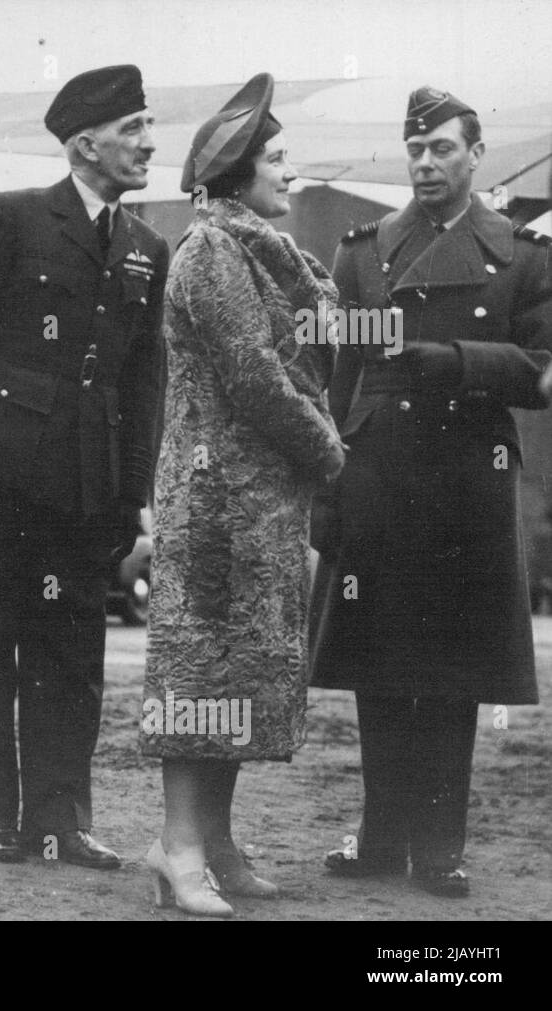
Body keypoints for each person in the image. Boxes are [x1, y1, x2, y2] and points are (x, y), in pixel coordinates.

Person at [0, 65, 165, 869]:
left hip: (87, 484)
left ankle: (62, 817)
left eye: (149, 126)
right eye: (133, 129)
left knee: (74, 652)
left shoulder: (146, 248)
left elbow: (142, 378)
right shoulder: (16, 217)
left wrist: (132, 491)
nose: (148, 143)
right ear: (85, 144)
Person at [310, 86, 552, 898]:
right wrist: (327, 486)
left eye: (442, 148)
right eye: (414, 149)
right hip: (378, 472)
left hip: (466, 481)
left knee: (453, 668)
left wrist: (457, 359)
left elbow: (543, 371)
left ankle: (440, 846)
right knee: (380, 664)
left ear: (476, 155)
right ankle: (381, 839)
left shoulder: (521, 255)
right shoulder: (364, 251)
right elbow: (336, 377)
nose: (425, 163)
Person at [140, 73, 345, 917]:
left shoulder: (264, 250)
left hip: (256, 499)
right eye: (278, 159)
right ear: (236, 173)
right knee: (202, 672)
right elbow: (256, 378)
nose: (290, 173)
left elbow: (295, 357)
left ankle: (215, 843)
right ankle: (177, 848)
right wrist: (327, 445)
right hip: (214, 503)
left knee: (237, 672)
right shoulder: (210, 253)